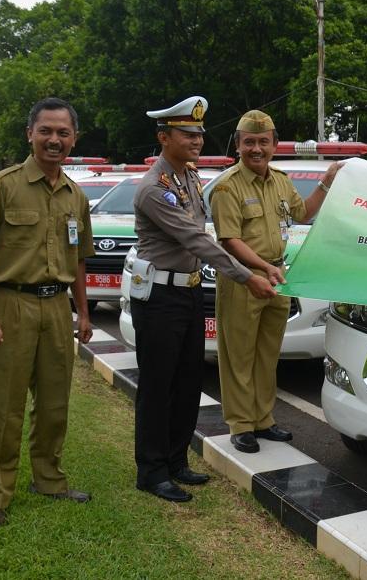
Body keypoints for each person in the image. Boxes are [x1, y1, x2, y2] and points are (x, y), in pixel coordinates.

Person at [132, 96, 276, 502]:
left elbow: (206, 239)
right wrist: (247, 276)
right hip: (159, 297)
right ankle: (152, 470)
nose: (196, 140)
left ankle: (177, 462)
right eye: (186, 133)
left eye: (199, 133)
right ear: (164, 137)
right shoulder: (154, 189)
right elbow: (197, 239)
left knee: (188, 381)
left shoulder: (189, 178)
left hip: (190, 291)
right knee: (158, 386)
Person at [0, 97, 95, 529]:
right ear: (30, 134)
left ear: (73, 139)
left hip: (57, 305)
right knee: (4, 405)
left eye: (62, 132)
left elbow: (78, 259)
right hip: (10, 303)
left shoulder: (76, 195)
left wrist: (83, 312)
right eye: (46, 131)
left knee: (55, 402)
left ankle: (49, 479)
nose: (54, 140)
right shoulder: (1, 186)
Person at [210, 110, 341, 453]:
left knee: (268, 354)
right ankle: (240, 424)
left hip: (278, 277)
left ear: (274, 144)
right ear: (237, 145)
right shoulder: (227, 186)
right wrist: (262, 269)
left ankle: (263, 420)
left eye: (263, 142)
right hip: (243, 279)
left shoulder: (282, 181)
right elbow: (230, 240)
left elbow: (303, 213)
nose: (256, 149)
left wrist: (327, 180)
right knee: (239, 355)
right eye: (249, 142)